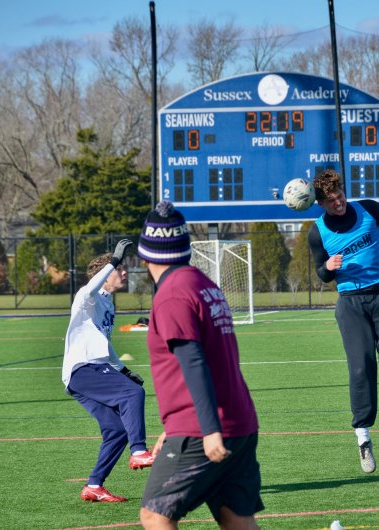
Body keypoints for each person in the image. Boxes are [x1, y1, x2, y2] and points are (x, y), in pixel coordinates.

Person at [137, 201, 263, 530]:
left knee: (155, 514)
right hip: (240, 423)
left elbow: (193, 363)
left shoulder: (172, 295)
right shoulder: (204, 285)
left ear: (146, 254)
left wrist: (207, 430)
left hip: (203, 428)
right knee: (237, 521)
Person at [308, 169, 379, 474]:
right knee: (361, 367)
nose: (339, 203)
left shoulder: (368, 208)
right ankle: (363, 439)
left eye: (340, 195)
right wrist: (328, 268)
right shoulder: (317, 232)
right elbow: (321, 272)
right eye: (331, 201)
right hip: (351, 303)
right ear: (320, 203)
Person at [62, 239, 154, 503]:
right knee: (133, 394)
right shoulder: (85, 297)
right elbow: (91, 286)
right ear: (104, 276)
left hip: (88, 372)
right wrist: (113, 259)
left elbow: (105, 343)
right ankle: (138, 451)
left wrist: (123, 371)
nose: (124, 272)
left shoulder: (108, 304)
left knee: (116, 430)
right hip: (83, 369)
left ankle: (94, 486)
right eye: (119, 269)